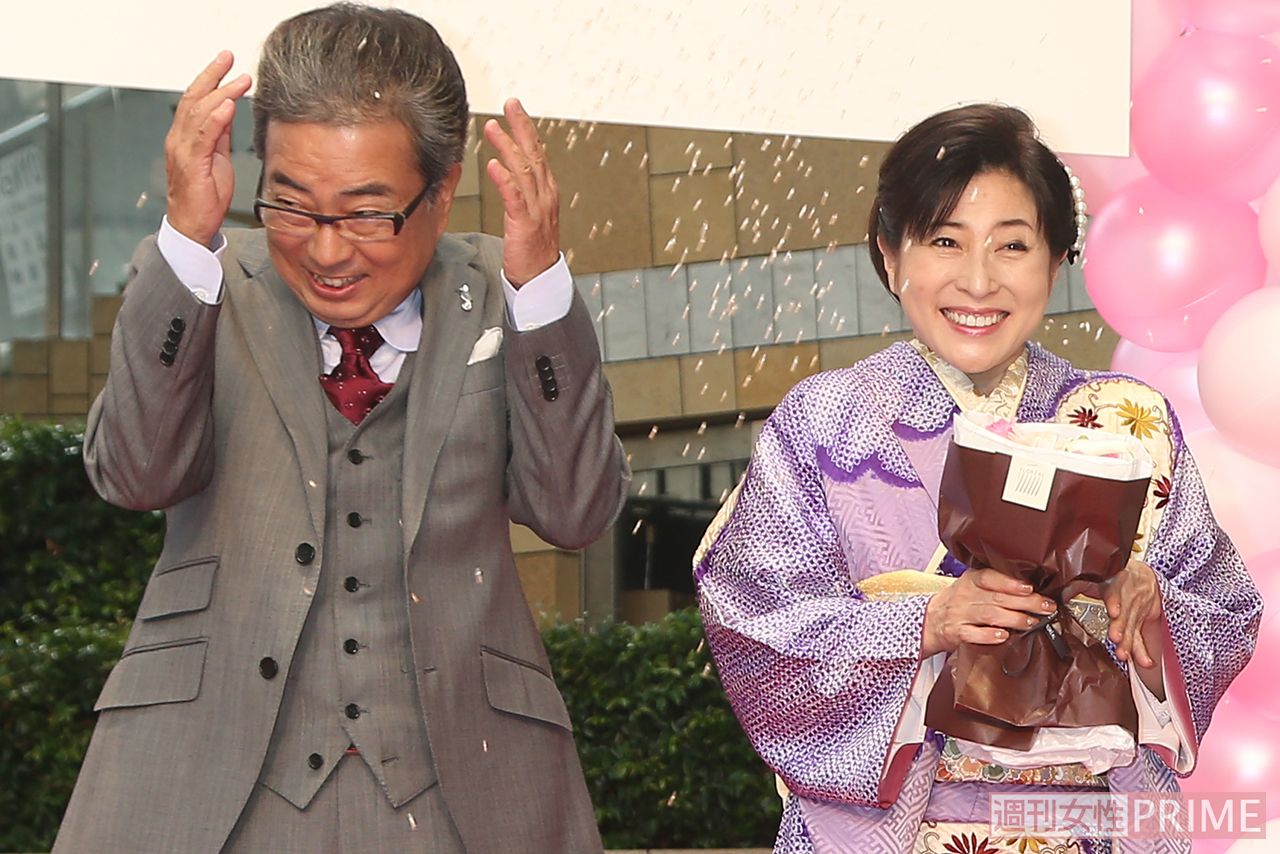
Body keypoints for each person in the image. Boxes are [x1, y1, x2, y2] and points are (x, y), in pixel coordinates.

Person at [55, 5, 628, 853]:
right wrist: (185, 238)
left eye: (366, 214)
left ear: (442, 187)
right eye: (290, 206)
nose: (327, 252)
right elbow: (134, 473)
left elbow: (577, 511)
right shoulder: (208, 285)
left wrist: (540, 286)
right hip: (209, 783)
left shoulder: (508, 297)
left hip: (461, 793)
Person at [694, 104, 1261, 854]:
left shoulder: (1130, 422)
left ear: (1057, 260)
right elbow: (752, 619)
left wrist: (1150, 612)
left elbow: (1225, 612)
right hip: (898, 831)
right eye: (943, 242)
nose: (977, 280)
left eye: (1013, 246)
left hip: (1093, 831)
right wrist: (922, 624)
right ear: (891, 257)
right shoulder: (827, 422)